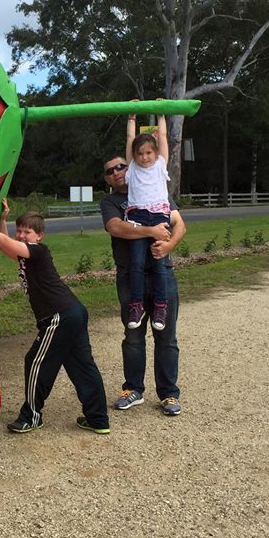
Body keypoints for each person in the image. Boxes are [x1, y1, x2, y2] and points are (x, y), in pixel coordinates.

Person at [0, 200, 111, 434]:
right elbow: (8, 247)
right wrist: (4, 220)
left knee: (35, 362)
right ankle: (98, 419)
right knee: (82, 366)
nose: (22, 235)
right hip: (73, 312)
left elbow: (6, 242)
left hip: (60, 316)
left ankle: (32, 416)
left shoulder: (38, 251)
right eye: (21, 231)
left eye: (28, 232)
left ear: (40, 236)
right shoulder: (26, 254)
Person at [101, 138, 185, 417]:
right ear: (107, 179)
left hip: (162, 272)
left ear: (130, 165)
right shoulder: (111, 201)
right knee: (133, 336)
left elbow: (179, 225)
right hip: (130, 276)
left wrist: (169, 245)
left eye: (120, 166)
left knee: (167, 337)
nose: (116, 172)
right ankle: (133, 389)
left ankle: (169, 394)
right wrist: (151, 232)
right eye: (110, 171)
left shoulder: (156, 188)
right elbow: (116, 228)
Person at [123, 111, 171, 331]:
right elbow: (130, 141)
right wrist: (131, 119)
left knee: (159, 263)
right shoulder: (131, 168)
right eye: (140, 153)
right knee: (137, 263)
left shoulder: (161, 164)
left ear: (156, 153)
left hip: (159, 217)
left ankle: (161, 306)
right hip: (137, 217)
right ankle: (137, 305)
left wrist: (161, 115)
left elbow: (162, 136)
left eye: (149, 152)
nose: (144, 157)